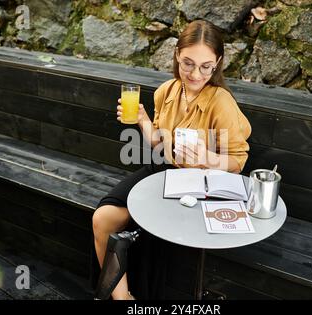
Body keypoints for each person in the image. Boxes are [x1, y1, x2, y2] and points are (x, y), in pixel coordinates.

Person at [91, 19, 251, 300]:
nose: (195, 74)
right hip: (164, 170)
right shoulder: (167, 91)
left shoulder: (220, 101)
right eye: (188, 63)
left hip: (200, 182)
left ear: (217, 63)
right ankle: (123, 298)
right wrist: (142, 120)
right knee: (103, 218)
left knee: (152, 230)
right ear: (177, 54)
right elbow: (160, 145)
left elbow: (238, 161)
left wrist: (208, 158)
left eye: (206, 66)